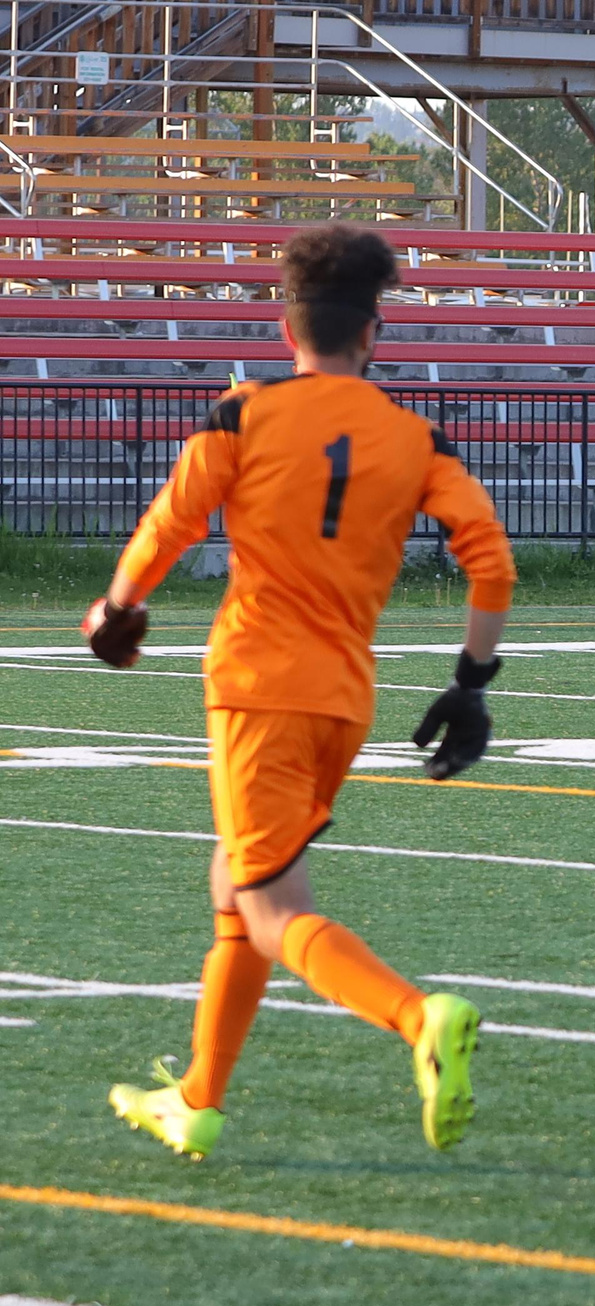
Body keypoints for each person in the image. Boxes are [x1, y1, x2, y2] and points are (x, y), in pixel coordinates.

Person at [85, 223, 516, 1160]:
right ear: (373, 333)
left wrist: (116, 609)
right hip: (342, 702)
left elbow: (170, 523)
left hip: (254, 688)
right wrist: (470, 685)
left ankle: (418, 1017)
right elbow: (491, 561)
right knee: (239, 884)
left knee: (272, 906)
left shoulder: (243, 413)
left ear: (288, 329)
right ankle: (198, 1099)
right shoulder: (416, 437)